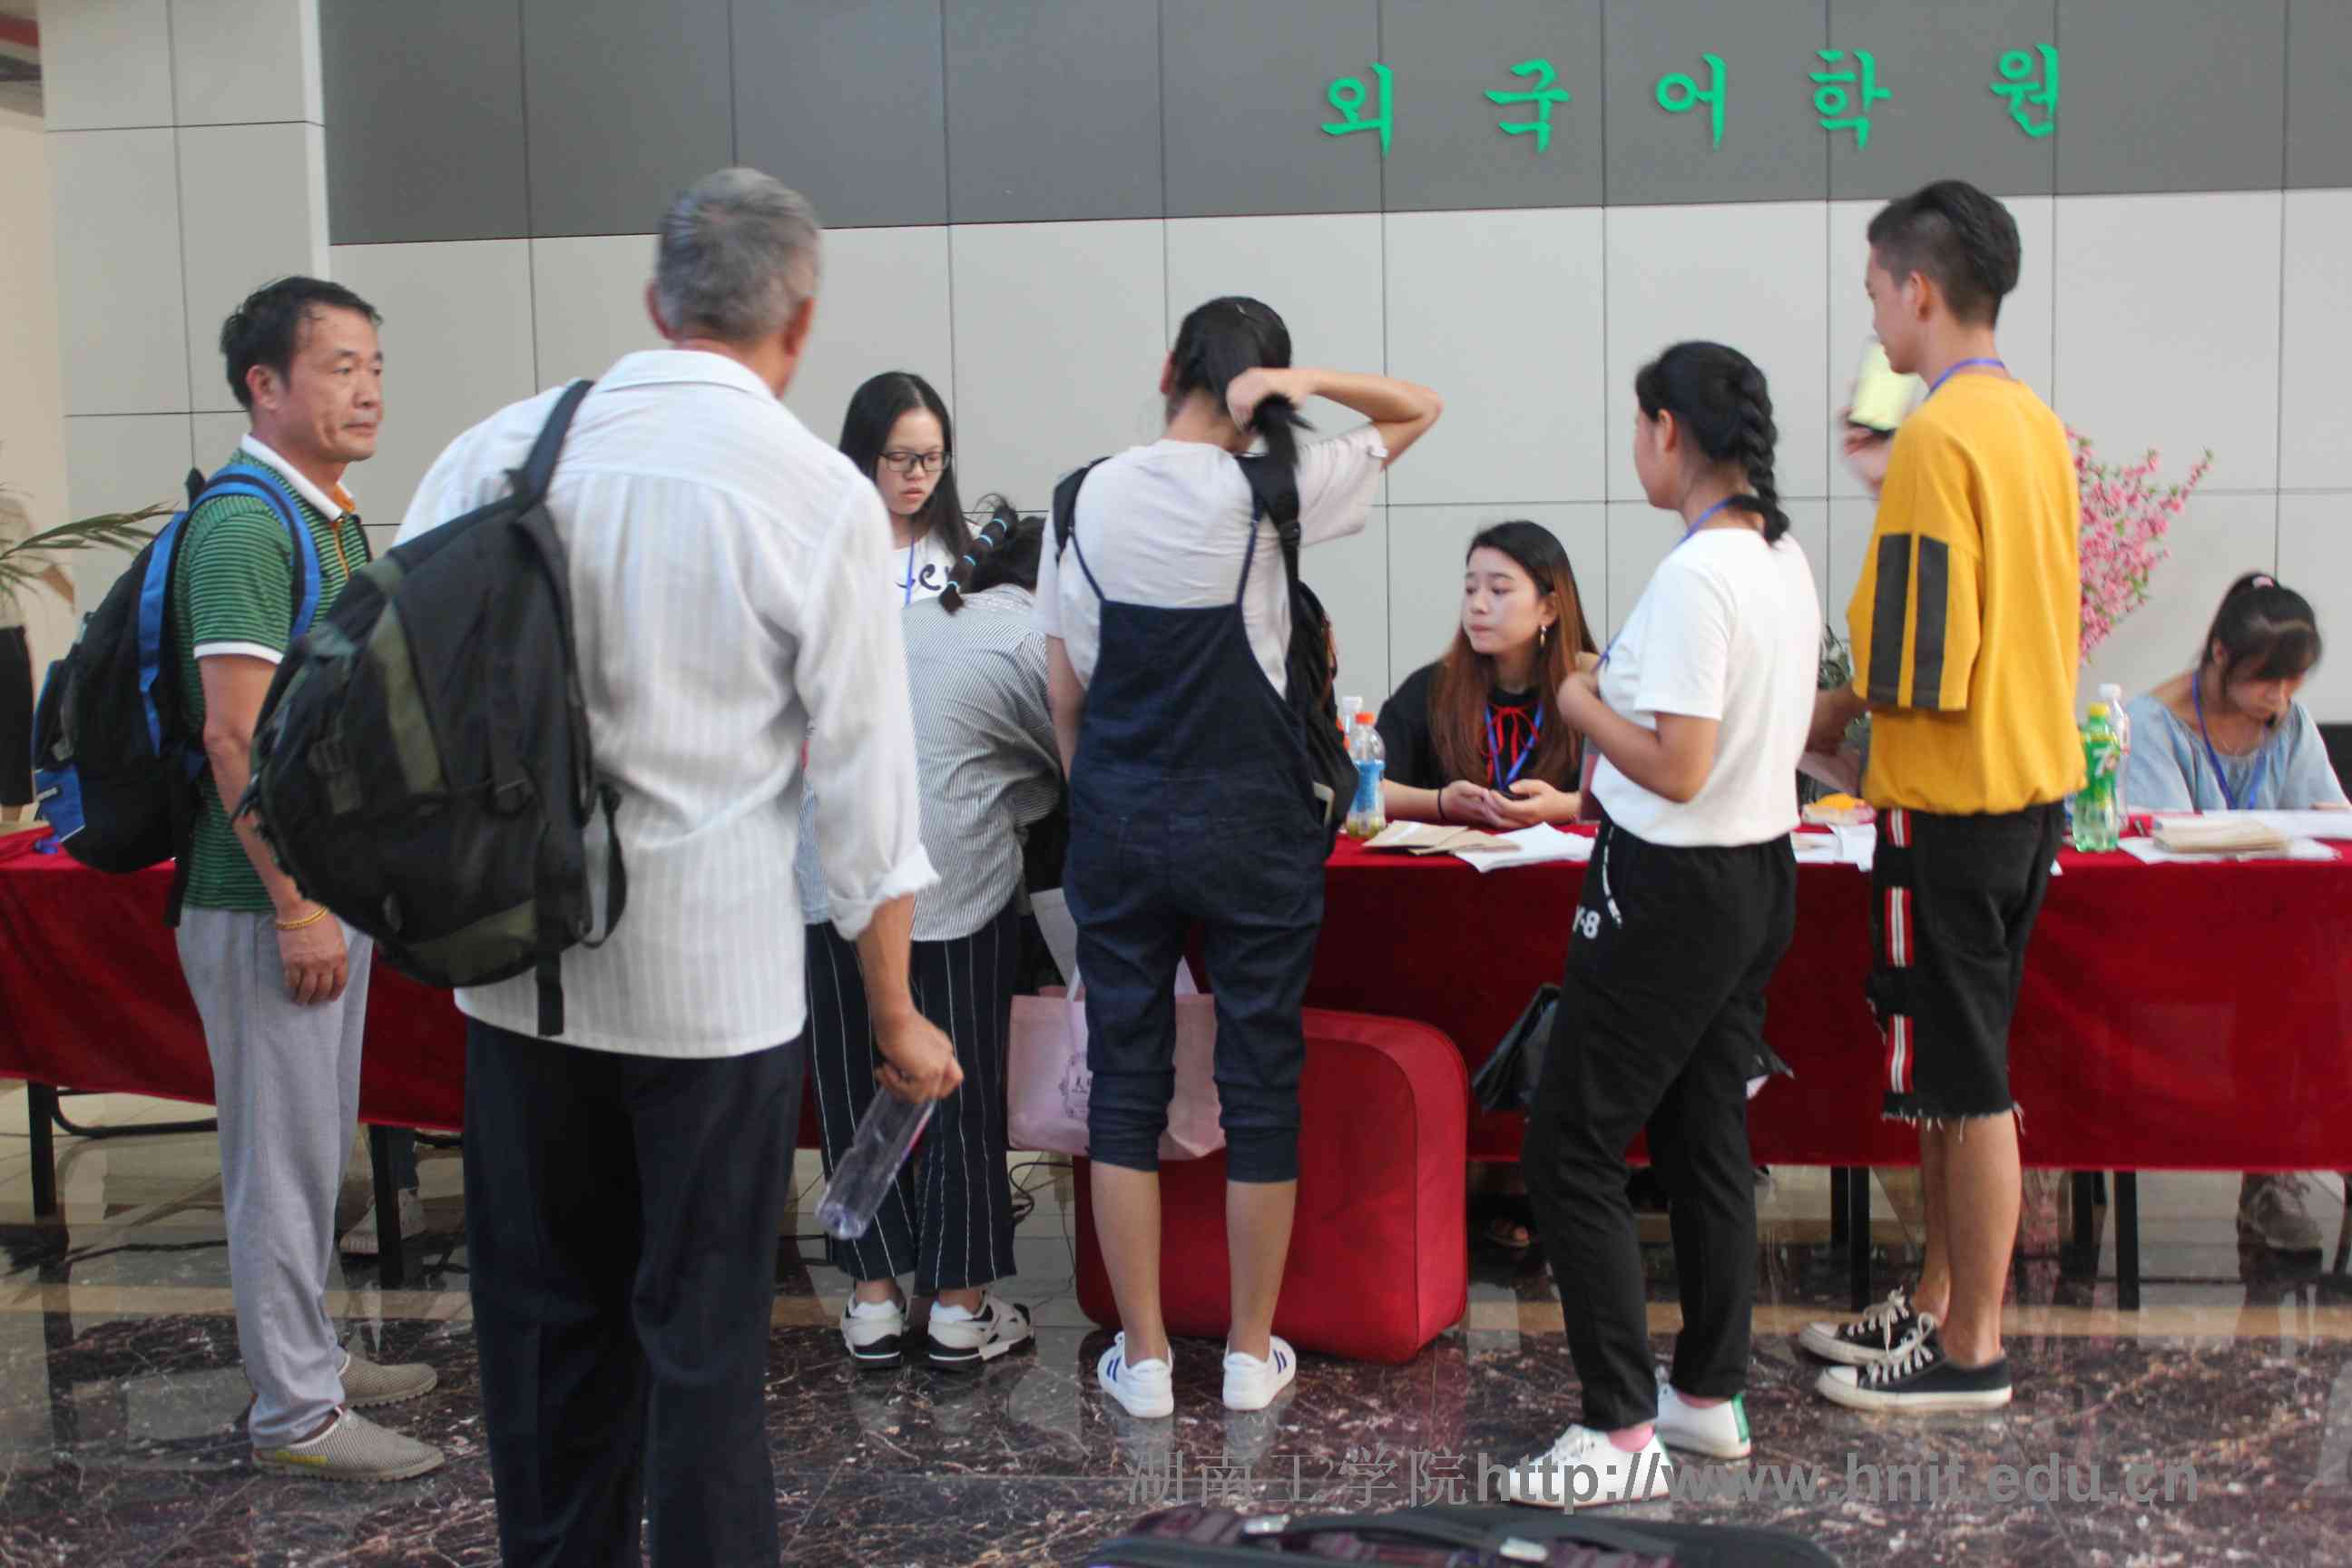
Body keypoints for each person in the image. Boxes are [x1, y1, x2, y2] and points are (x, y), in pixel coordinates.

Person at [397, 168, 960, 1564]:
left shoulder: (495, 451)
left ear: (655, 302)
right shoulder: (812, 494)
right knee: (703, 1350)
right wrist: (894, 1012)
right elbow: (866, 789)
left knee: (543, 1340)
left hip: (516, 981)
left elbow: (400, 686)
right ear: (801, 320)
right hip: (713, 1004)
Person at [1041, 296, 1440, 1419]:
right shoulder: (1273, 489)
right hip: (1253, 827)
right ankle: (1251, 1357)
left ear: (1170, 365)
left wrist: (1101, 799)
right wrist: (1305, 387)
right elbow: (1420, 408)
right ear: (1261, 391)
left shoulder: (1081, 497)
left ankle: (1146, 1362)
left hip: (1121, 818)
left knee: (1125, 1088)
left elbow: (1064, 687)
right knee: (1260, 1081)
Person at [1501, 343, 1818, 1508]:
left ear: (1668, 431)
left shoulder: (1700, 575)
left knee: (1571, 1145)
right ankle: (1705, 1396)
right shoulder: (1777, 555)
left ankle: (1619, 1428)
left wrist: (1576, 699)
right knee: (1702, 1141)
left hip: (1673, 884)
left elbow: (1678, 766)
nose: (1634, 446)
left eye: (1638, 427)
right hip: (1753, 874)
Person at [1803, 179, 2082, 1414]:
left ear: (1918, 290)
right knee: (1956, 1073)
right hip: (2026, 794)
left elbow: (1917, 656)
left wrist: (1821, 716)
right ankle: (1933, 1303)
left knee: (1967, 1088)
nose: (1873, 318)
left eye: (1875, 292)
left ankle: (1971, 1350)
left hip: (1953, 802)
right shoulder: (2030, 424)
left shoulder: (1935, 437)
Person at [173, 277, 443, 1481]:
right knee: (277, 1162)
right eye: (339, 366)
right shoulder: (246, 526)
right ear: (264, 384)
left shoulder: (328, 517)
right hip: (262, 896)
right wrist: (296, 904)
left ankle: (314, 1355)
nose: (368, 388)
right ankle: (296, 1413)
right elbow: (233, 736)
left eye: (374, 365)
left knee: (316, 1144)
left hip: (324, 888)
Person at [818, 505, 1061, 1370]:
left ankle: (871, 1303)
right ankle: (959, 1310)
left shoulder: (904, 622)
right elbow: (1076, 765)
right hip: (945, 888)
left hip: (828, 882)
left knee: (858, 1090)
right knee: (958, 1091)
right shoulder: (1032, 640)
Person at [2124, 573, 2347, 1253]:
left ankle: (2306, 1161)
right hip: (2185, 933)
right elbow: (2157, 845)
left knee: (2327, 975)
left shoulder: (2288, 723)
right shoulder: (2151, 724)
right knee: (2292, 984)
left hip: (2273, 928)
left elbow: (2327, 817)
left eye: (2293, 682)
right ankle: (2273, 1175)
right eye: (2265, 680)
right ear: (2220, 654)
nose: (2279, 698)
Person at [1375, 520, 1595, 829]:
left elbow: (1643, 794)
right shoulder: (1432, 687)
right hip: (1454, 859)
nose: (1477, 605)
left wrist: (1566, 806)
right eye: (1470, 589)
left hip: (1563, 861)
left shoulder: (1590, 689)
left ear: (1548, 609)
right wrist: (1440, 803)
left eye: (1499, 590)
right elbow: (1365, 787)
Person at [0, 490, 73, 828]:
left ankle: (7, 832)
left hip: (5, 635)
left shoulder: (6, 509)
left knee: (13, 737)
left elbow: (38, 562)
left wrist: (81, 597)